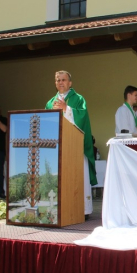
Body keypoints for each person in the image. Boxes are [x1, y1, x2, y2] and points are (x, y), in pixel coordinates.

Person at [45, 70, 97, 217]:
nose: (61, 82)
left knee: (79, 176)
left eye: (64, 80)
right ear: (55, 83)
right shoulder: (50, 102)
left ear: (70, 83)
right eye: (58, 80)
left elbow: (82, 117)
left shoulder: (79, 99)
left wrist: (66, 109)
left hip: (76, 146)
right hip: (59, 147)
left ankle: (83, 210)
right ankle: (62, 209)